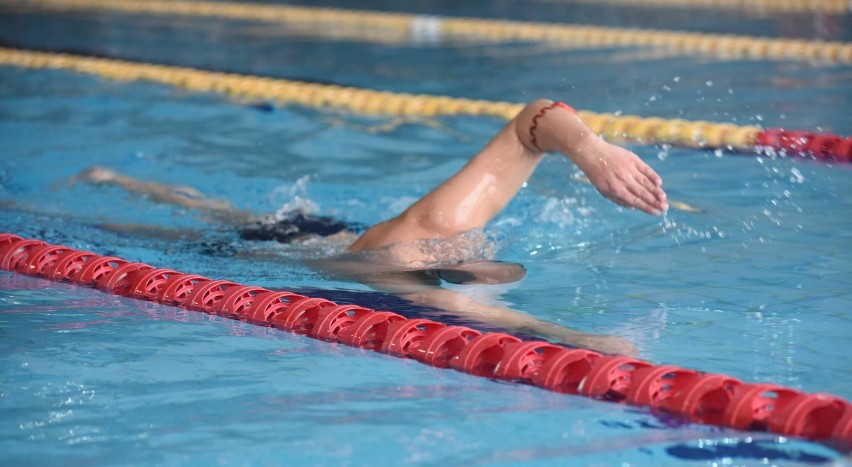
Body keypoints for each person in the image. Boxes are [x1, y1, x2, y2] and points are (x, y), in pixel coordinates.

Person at [72, 99, 667, 354]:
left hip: (326, 233)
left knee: (223, 210)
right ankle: (114, 191)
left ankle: (122, 179)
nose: (491, 267)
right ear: (447, 273)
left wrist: (590, 150)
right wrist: (582, 342)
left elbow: (529, 130)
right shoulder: (411, 254)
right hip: (283, 253)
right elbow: (490, 318)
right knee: (175, 236)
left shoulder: (452, 233)